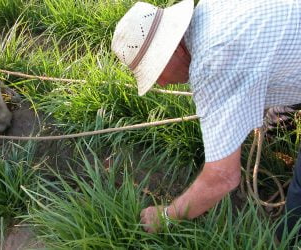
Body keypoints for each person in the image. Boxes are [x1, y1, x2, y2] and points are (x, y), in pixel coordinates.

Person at [111, 0, 301, 242]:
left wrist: (168, 215)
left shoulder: (212, 64)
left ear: (176, 51)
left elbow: (223, 177)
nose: (159, 83)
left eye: (155, 70)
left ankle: (288, 241)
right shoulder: (210, 9)